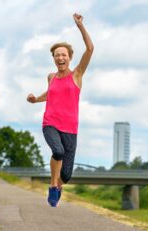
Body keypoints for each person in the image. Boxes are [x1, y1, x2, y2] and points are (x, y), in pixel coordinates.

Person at [27, 13, 94, 207]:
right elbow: (50, 94)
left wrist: (80, 26)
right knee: (58, 151)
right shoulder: (51, 77)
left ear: (70, 57)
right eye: (57, 55)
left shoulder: (77, 75)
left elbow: (90, 49)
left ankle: (59, 183)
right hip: (51, 123)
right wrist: (35, 100)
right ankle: (53, 186)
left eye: (64, 54)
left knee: (67, 175)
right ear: (54, 59)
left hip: (70, 129)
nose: (60, 57)